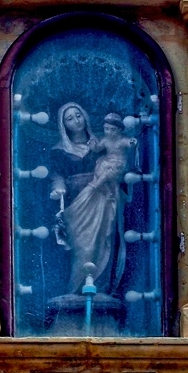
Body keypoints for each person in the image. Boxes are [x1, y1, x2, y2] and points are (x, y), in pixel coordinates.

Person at [49, 103, 131, 294]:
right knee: (82, 246)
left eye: (78, 115)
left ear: (85, 116)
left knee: (104, 241)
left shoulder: (100, 144)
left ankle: (101, 289)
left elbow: (117, 161)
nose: (76, 121)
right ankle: (75, 290)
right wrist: (58, 188)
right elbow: (57, 175)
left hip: (101, 196)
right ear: (63, 125)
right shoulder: (59, 150)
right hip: (77, 201)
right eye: (69, 119)